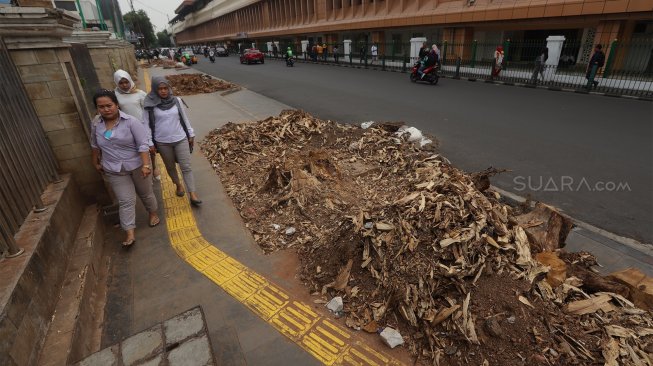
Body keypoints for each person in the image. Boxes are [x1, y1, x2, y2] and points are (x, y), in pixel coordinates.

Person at [90, 89, 159, 247]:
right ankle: (129, 233)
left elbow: (142, 144)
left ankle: (153, 213)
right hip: (114, 169)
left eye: (109, 105)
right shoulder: (96, 124)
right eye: (101, 107)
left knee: (146, 193)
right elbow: (94, 144)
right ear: (97, 108)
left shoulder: (131, 122)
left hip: (137, 166)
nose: (106, 109)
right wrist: (95, 162)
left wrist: (146, 165)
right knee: (125, 200)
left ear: (116, 104)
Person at [143, 77, 202, 206]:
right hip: (162, 142)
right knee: (170, 167)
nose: (163, 91)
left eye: (165, 88)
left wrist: (190, 133)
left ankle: (192, 194)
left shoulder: (177, 101)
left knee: (186, 167)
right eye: (160, 89)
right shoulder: (149, 103)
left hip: (180, 138)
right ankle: (178, 184)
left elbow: (184, 118)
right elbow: (146, 124)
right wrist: (150, 143)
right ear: (155, 89)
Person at [113, 70, 161, 181]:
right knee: (136, 150)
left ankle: (154, 167)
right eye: (121, 83)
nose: (124, 85)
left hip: (142, 126)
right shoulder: (114, 95)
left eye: (126, 82)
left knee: (149, 148)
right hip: (126, 128)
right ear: (116, 83)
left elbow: (148, 110)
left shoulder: (139, 93)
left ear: (130, 80)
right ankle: (142, 168)